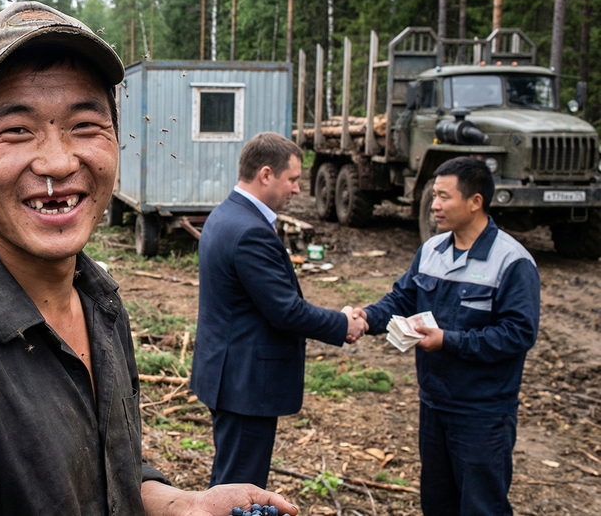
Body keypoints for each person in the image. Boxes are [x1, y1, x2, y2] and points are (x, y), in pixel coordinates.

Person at [0, 1, 296, 516]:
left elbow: (104, 476)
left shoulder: (97, 300)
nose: (58, 161)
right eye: (16, 129)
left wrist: (180, 505)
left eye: (84, 125)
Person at [357, 157, 540, 516]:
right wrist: (366, 317)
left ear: (475, 201)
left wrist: (448, 340)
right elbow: (402, 299)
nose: (435, 205)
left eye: (444, 196)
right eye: (433, 195)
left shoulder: (511, 261)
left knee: (481, 505)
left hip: (482, 411)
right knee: (438, 502)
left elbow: (518, 333)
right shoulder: (432, 251)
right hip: (435, 403)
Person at [190, 132, 368, 489]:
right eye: (294, 179)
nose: (298, 189)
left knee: (229, 480)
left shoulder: (226, 214)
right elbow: (286, 311)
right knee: (240, 488)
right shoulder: (250, 231)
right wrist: (343, 323)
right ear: (266, 175)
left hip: (230, 373)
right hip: (245, 383)